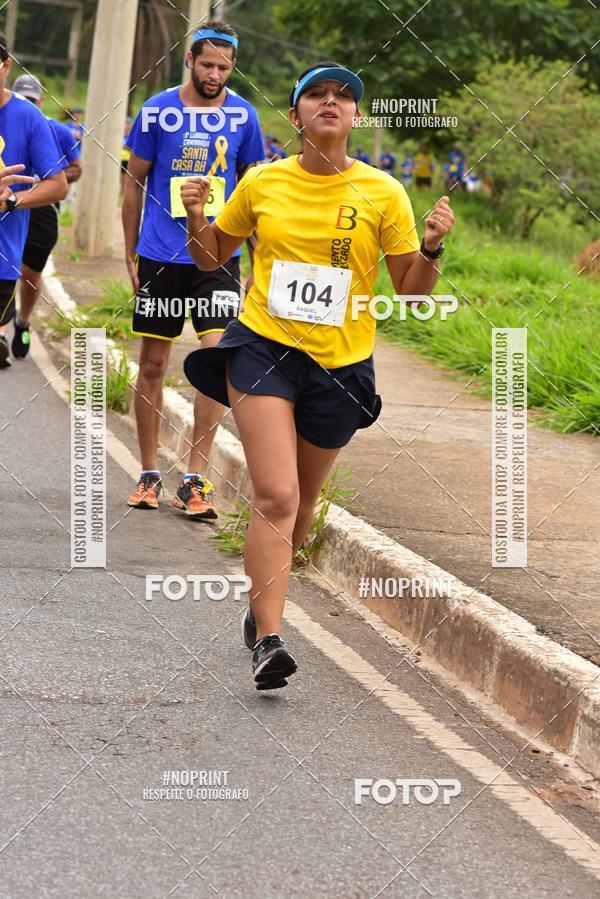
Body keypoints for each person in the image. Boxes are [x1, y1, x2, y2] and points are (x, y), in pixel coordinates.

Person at [181, 61, 454, 690]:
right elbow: (210, 256)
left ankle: (260, 608)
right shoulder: (263, 182)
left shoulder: (384, 192)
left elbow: (411, 291)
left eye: (343, 96)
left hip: (341, 365)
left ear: (356, 116)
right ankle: (271, 641)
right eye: (316, 95)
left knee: (299, 513)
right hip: (264, 347)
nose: (330, 103)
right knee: (275, 496)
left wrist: (433, 246)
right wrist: (197, 213)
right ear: (298, 114)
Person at [122, 19, 264, 518]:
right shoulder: (158, 110)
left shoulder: (245, 117)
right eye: (207, 64)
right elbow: (133, 181)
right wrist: (128, 249)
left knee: (216, 363)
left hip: (219, 255)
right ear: (190, 60)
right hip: (161, 253)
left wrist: (257, 261)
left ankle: (195, 477)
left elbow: (255, 191)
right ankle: (146, 473)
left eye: (224, 67)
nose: (215, 74)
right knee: (154, 364)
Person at [0, 33, 68, 369]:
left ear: (7, 66)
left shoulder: (30, 118)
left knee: (32, 272)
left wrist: (12, 198)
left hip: (8, 246)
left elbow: (60, 183)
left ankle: (21, 323)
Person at [10, 74, 82, 360]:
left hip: (43, 210)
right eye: (22, 97)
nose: (28, 102)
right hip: (9, 206)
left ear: (41, 101)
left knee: (30, 273)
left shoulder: (57, 131)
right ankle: (3, 332)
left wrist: (47, 180)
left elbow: (75, 170)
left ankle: (23, 321)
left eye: (33, 99)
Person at [121, 115, 133, 194]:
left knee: (126, 180)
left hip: (127, 160)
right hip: (120, 159)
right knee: (120, 180)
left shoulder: (131, 136)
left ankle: (124, 195)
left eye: (127, 123)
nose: (125, 125)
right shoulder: (119, 134)